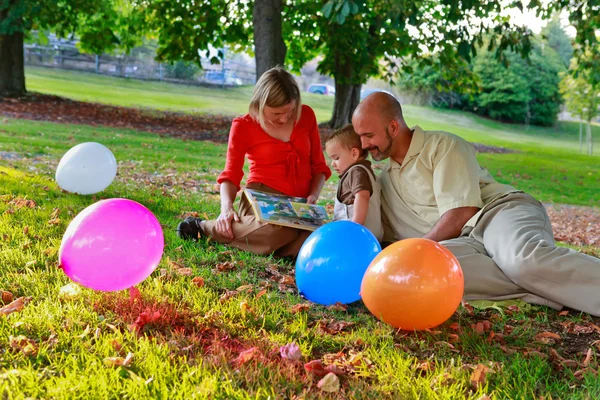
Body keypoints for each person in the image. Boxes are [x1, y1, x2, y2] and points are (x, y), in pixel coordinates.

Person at [352, 92, 600, 316]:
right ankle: (548, 287)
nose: (363, 145)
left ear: (393, 127)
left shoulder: (442, 146)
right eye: (360, 137)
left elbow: (462, 212)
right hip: (461, 243)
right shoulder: (385, 179)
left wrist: (418, 248)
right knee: (427, 278)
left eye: (368, 135)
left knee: (523, 261)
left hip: (496, 213)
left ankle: (537, 276)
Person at [177, 67, 331, 257]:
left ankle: (267, 246)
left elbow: (319, 167)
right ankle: (204, 228)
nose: (284, 118)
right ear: (259, 103)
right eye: (276, 113)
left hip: (300, 206)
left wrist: (314, 195)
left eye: (290, 111)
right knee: (281, 230)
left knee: (315, 240)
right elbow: (230, 175)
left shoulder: (306, 115)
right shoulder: (243, 126)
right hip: (262, 199)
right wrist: (226, 209)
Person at [324, 124, 383, 240]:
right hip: (370, 236)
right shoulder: (367, 172)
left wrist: (355, 227)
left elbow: (362, 196)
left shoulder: (356, 172)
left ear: (354, 154)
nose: (332, 164)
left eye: (336, 158)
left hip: (357, 236)